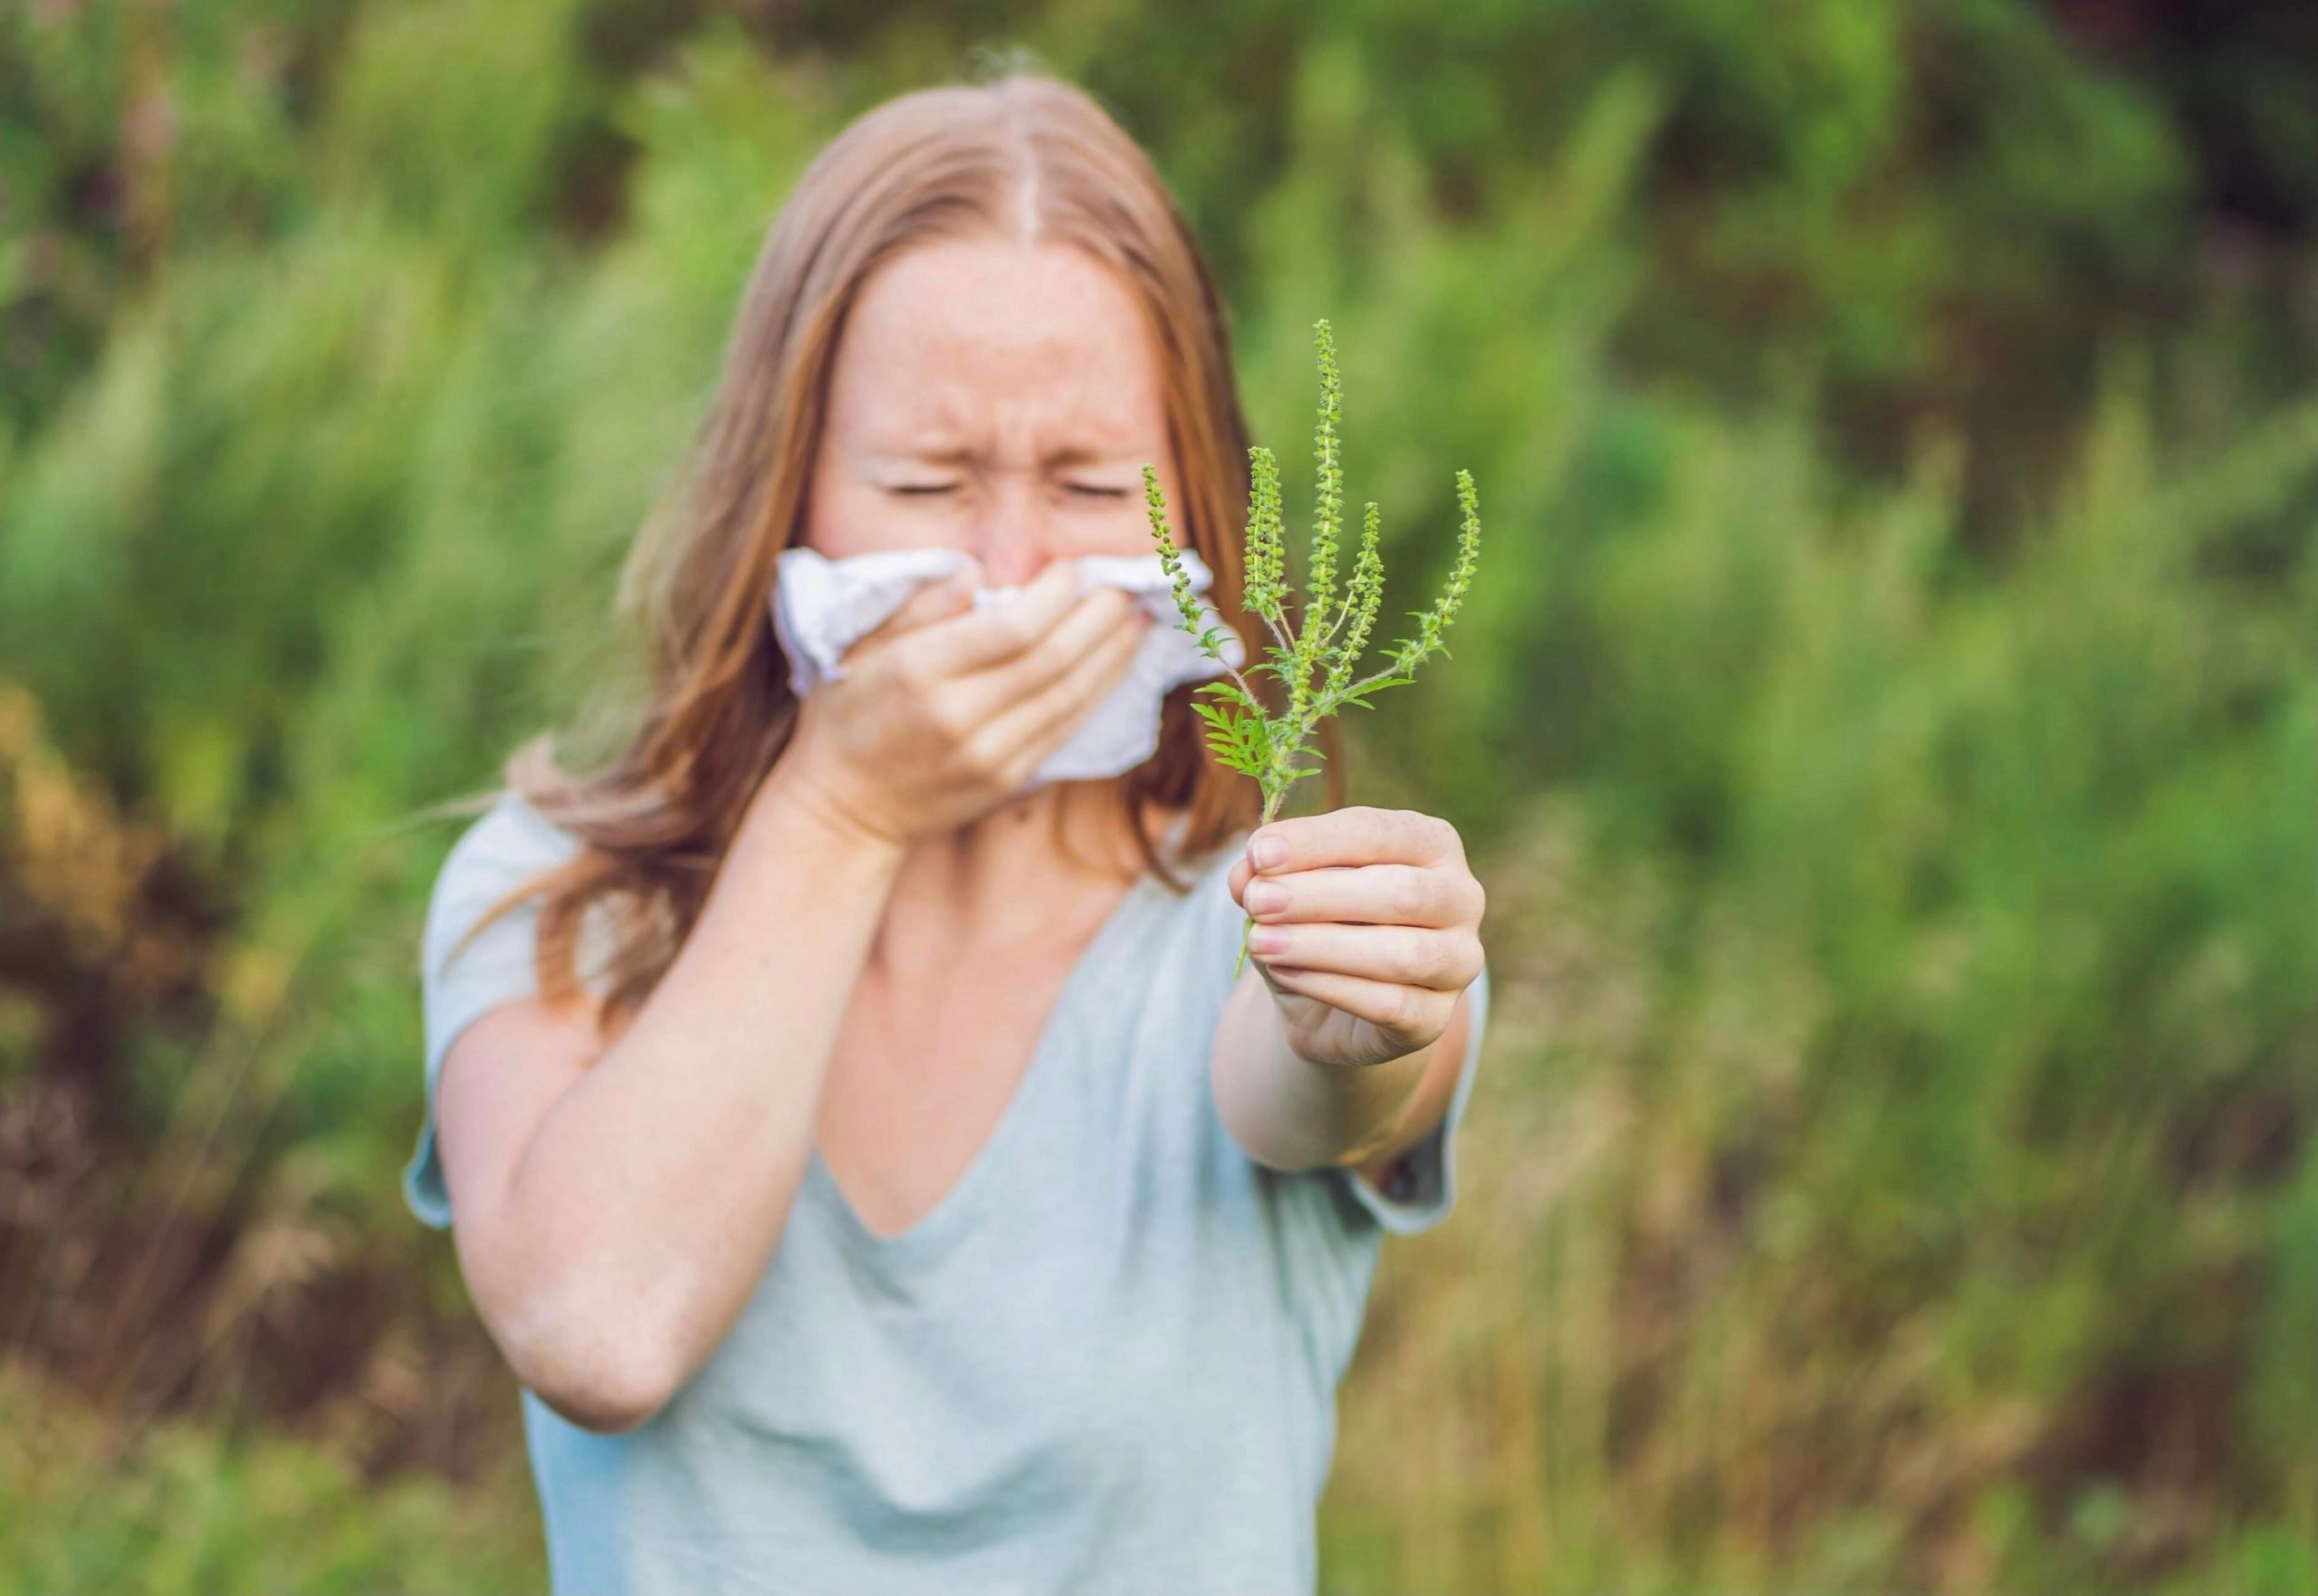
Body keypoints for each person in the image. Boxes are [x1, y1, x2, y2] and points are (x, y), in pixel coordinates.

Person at [401, 66, 1489, 1596]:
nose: (1013, 568)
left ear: (1196, 503)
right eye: (927, 480)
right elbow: (599, 1327)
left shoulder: (1257, 920)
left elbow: (1319, 1084)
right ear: (784, 487)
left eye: (1095, 484)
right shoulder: (553, 900)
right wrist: (844, 806)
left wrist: (1361, 1018)